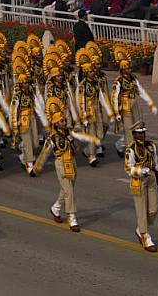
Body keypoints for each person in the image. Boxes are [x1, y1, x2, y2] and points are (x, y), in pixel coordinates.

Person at [34, 97, 98, 233]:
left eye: (64, 120)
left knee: (67, 188)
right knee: (69, 191)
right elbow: (44, 153)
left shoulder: (69, 133)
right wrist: (37, 167)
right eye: (62, 121)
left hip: (72, 161)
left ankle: (56, 208)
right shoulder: (52, 138)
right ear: (56, 124)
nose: (64, 122)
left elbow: (78, 142)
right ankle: (72, 217)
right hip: (61, 163)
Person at [125, 121, 158, 253]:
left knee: (153, 210)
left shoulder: (151, 146)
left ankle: (140, 227)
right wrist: (141, 171)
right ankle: (145, 235)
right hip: (138, 180)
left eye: (143, 132)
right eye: (140, 133)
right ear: (134, 135)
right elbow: (128, 168)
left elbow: (155, 162)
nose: (143, 135)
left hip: (151, 177)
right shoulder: (131, 149)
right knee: (141, 209)